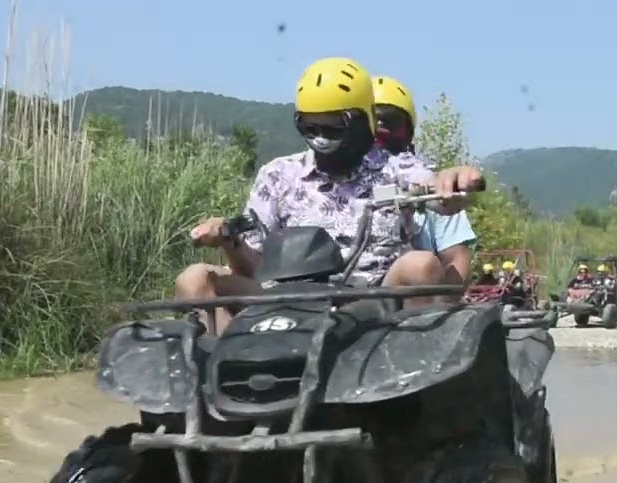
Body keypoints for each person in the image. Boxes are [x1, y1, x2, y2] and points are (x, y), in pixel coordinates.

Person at [177, 58, 483, 334]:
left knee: (420, 264)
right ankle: (216, 378)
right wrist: (230, 240)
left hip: (370, 297)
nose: (322, 137)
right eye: (311, 126)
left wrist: (451, 184)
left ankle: (414, 379)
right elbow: (254, 270)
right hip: (281, 298)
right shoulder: (278, 174)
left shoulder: (398, 167)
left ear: (364, 120)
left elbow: (436, 191)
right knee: (194, 278)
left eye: (334, 126)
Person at [374, 74, 476, 286]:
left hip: (410, 301)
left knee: (418, 266)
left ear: (408, 129)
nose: (381, 128)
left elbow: (457, 260)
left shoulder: (433, 184)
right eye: (372, 120)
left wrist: (441, 306)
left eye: (391, 121)